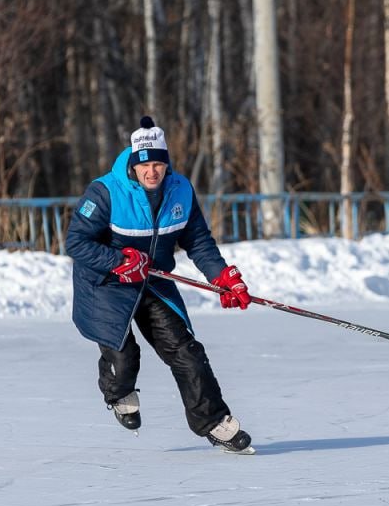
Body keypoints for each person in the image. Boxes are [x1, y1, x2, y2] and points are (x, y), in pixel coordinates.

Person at [65, 116, 256, 453]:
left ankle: (212, 421)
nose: (152, 172)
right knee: (124, 357)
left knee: (187, 352)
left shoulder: (180, 189)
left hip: (153, 281)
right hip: (106, 284)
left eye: (158, 165)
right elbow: (76, 243)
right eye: (145, 166)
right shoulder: (106, 191)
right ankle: (119, 391)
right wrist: (118, 261)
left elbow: (197, 240)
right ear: (133, 167)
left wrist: (222, 276)